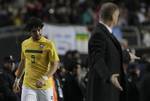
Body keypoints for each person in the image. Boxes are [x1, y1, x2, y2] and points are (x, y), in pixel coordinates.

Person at [86, 2, 128, 101]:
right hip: (102, 92)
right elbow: (97, 59)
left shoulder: (105, 33)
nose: (118, 18)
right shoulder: (98, 34)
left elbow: (112, 54)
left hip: (109, 91)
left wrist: (127, 55)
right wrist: (108, 77)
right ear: (113, 16)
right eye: (118, 15)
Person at [13, 17, 60, 101]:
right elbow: (23, 62)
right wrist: (17, 80)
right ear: (30, 32)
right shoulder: (25, 44)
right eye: (34, 31)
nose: (38, 33)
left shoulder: (49, 44)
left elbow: (55, 64)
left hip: (45, 86)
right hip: (28, 86)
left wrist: (44, 78)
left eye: (39, 30)